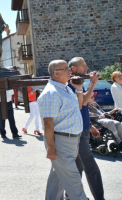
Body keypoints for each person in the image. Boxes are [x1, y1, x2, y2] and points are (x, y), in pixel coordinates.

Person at [38, 60, 87, 200]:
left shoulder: (64, 88)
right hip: (61, 142)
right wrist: (51, 148)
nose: (70, 71)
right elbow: (48, 123)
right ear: (56, 72)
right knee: (73, 181)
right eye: (66, 69)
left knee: (58, 178)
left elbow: (78, 107)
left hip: (70, 140)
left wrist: (78, 89)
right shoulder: (51, 93)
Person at [68, 57, 104, 200]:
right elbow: (82, 102)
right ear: (73, 68)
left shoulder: (77, 81)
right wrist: (93, 84)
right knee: (91, 168)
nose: (87, 68)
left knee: (78, 167)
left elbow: (83, 107)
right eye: (83, 66)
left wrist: (89, 126)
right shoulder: (71, 83)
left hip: (81, 129)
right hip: (76, 132)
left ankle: (70, 195)